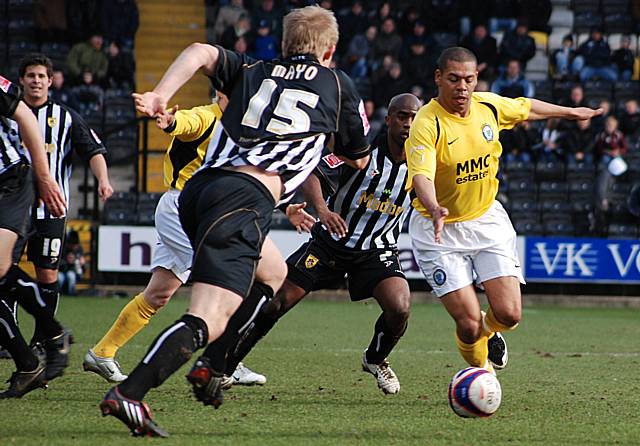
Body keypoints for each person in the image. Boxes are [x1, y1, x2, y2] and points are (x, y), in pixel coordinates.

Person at [100, 6, 370, 437]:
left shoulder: (253, 68)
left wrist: (159, 95)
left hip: (200, 191)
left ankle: (213, 364)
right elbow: (358, 157)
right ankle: (130, 393)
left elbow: (198, 51)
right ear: (331, 50)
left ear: (284, 45)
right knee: (207, 315)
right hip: (243, 199)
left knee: (274, 274)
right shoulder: (339, 85)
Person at [404, 47, 602, 376]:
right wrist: (435, 205)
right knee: (468, 325)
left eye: (468, 79)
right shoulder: (426, 123)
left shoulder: (488, 106)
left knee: (509, 314)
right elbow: (421, 175)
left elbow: (527, 109)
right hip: (438, 230)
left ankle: (491, 329)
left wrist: (571, 112)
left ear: (476, 78)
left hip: (485, 219)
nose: (462, 87)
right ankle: (483, 379)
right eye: (453, 79)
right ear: (439, 78)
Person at [206, 93, 421, 396]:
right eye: (401, 116)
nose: (408, 123)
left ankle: (375, 358)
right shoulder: (361, 152)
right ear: (388, 119)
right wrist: (322, 210)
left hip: (377, 249)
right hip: (330, 244)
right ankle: (227, 367)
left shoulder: (423, 161)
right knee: (276, 303)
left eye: (414, 117)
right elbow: (314, 173)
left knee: (400, 307)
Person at [83, 97, 285, 386]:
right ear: (225, 93)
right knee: (232, 283)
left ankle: (102, 352)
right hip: (185, 208)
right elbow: (186, 122)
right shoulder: (206, 116)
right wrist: (170, 121)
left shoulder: (244, 128)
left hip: (200, 210)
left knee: (158, 294)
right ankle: (223, 359)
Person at [12, 54, 113, 349]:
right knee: (5, 268)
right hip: (13, 208)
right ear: (21, 80)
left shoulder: (66, 117)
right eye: (30, 75)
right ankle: (10, 337)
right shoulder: (9, 115)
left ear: (51, 81)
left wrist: (103, 181)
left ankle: (43, 337)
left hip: (51, 209)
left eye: (41, 76)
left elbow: (93, 150)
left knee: (47, 273)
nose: (36, 81)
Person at [0, 73, 67, 398]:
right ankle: (27, 364)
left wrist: (44, 177)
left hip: (9, 178)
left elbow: (24, 114)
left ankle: (54, 334)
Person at [57, 230, 85, 296]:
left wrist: (79, 262)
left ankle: (71, 294)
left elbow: (82, 268)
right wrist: (66, 261)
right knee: (60, 277)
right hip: (62, 271)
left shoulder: (79, 250)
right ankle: (59, 293)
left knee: (71, 275)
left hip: (73, 272)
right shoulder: (63, 249)